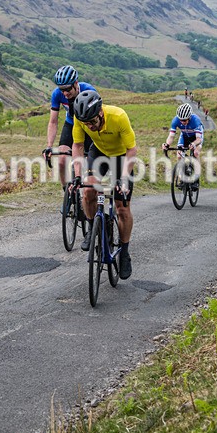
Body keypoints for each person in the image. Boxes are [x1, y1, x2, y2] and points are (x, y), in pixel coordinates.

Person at [71, 90, 137, 279]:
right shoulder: (80, 119)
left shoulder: (118, 116)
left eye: (92, 122)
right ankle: (93, 227)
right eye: (86, 123)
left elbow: (131, 150)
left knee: (122, 207)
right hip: (98, 153)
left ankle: (124, 252)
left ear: (100, 112)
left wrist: (124, 178)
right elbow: (78, 145)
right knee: (88, 191)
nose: (90, 127)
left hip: (121, 157)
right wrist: (78, 175)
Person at [42, 65, 95, 187]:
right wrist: (49, 146)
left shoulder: (88, 90)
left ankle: (92, 190)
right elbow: (53, 121)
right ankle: (67, 191)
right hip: (71, 124)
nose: (65, 93)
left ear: (76, 83)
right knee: (61, 161)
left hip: (88, 126)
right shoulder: (57, 94)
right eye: (62, 89)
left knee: (89, 162)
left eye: (67, 89)